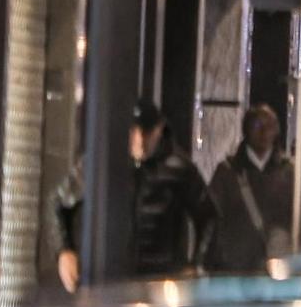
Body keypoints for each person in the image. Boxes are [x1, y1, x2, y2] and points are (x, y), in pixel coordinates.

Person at [53, 100, 214, 291]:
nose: (140, 141)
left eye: (147, 133)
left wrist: (197, 265)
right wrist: (65, 251)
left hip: (161, 279)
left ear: (159, 130)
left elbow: (209, 216)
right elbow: (59, 203)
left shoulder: (179, 168)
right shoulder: (101, 162)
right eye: (134, 132)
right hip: (108, 277)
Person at [204, 105, 294, 272]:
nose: (263, 132)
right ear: (246, 130)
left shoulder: (288, 172)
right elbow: (210, 218)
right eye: (257, 126)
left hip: (277, 268)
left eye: (269, 127)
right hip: (235, 269)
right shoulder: (227, 172)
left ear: (276, 131)